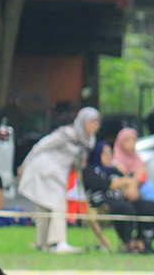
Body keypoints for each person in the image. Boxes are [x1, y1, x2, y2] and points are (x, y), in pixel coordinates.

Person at [17, 107, 100, 254]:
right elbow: (42, 145)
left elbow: (77, 161)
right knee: (58, 203)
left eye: (97, 122)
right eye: (92, 122)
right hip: (45, 169)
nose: (95, 126)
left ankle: (43, 243)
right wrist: (25, 164)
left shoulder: (88, 140)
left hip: (59, 172)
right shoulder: (67, 133)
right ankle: (58, 242)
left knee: (46, 206)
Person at [83, 141, 154, 254]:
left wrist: (132, 186)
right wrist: (126, 182)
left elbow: (130, 179)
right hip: (102, 202)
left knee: (150, 206)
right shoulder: (90, 171)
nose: (109, 157)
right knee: (124, 208)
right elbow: (108, 185)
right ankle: (127, 243)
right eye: (105, 154)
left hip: (122, 199)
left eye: (110, 153)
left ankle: (144, 241)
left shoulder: (114, 170)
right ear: (97, 154)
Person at [112, 127, 154, 202]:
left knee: (148, 187)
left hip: (138, 186)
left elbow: (144, 176)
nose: (131, 143)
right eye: (128, 140)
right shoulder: (115, 161)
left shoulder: (137, 159)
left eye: (133, 140)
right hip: (123, 189)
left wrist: (137, 180)